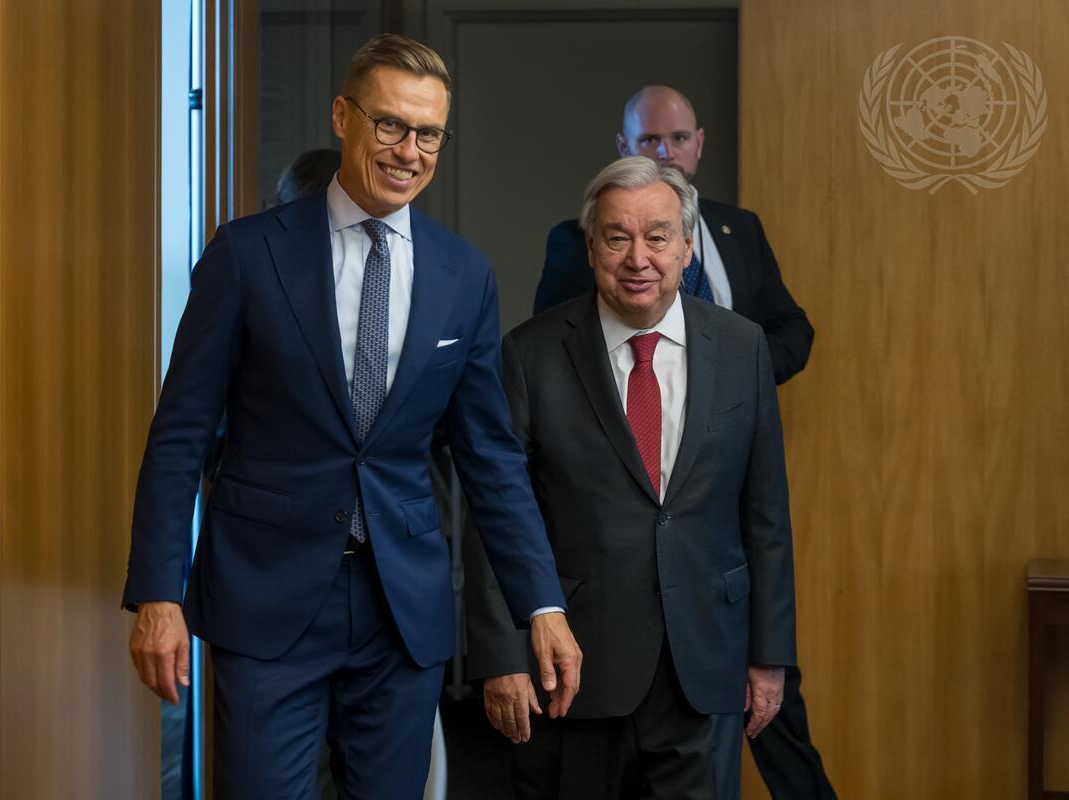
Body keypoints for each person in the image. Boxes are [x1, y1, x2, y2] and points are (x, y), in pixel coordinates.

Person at [123, 33, 582, 799]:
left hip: (400, 613)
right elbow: (179, 436)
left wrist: (541, 602)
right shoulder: (246, 255)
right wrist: (158, 593)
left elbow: (490, 458)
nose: (408, 151)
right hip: (265, 601)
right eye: (390, 124)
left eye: (428, 133)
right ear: (343, 117)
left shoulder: (463, 275)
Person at [466, 157, 796, 799]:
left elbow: (766, 515)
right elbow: (495, 515)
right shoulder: (530, 354)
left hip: (704, 663)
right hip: (571, 669)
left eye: (658, 237)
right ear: (591, 248)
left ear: (687, 248)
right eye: (617, 237)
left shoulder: (742, 347)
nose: (638, 258)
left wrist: (770, 654)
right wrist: (502, 655)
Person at [533, 85, 814, 386]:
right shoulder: (576, 240)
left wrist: (734, 376)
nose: (666, 152)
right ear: (623, 147)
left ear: (699, 143)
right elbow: (552, 346)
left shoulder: (742, 228)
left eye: (679, 138)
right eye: (650, 139)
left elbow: (793, 330)